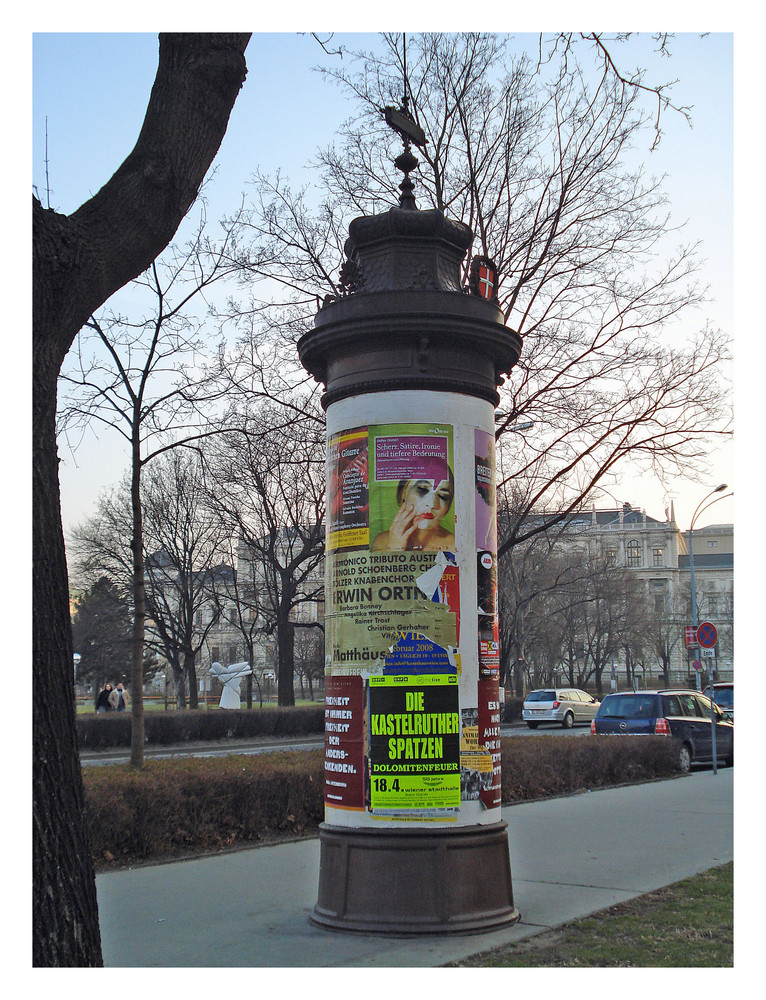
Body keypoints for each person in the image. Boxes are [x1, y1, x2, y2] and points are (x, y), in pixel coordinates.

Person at [371, 473, 455, 551]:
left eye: (443, 496)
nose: (431, 503)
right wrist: (394, 548)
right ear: (404, 493)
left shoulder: (454, 545)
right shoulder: (382, 542)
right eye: (422, 489)